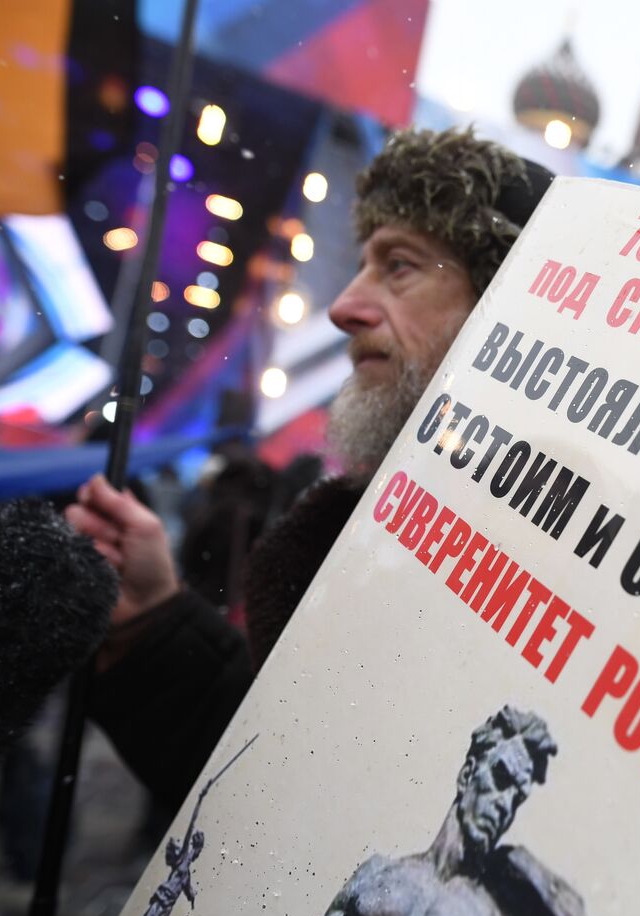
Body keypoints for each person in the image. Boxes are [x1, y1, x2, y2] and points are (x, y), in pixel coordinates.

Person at [65, 128, 553, 812]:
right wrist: (155, 622)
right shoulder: (355, 530)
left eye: (400, 265)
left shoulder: (601, 559)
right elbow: (280, 796)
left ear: (509, 300)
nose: (344, 307)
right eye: (362, 264)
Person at [317, 706, 592, 916]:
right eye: (501, 778)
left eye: (517, 799)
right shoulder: (378, 874)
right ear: (467, 774)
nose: (505, 804)